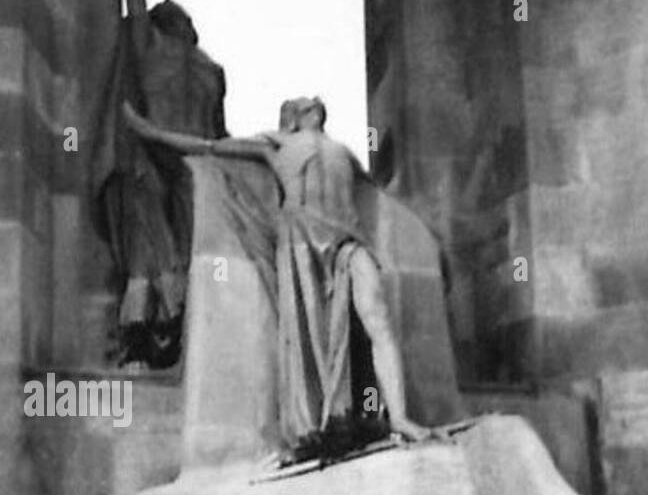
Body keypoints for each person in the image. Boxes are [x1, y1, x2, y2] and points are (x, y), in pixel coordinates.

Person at [122, 95, 435, 453]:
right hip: (301, 234)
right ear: (292, 119)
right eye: (302, 103)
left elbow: (381, 195)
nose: (313, 101)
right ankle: (319, 423)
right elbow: (210, 147)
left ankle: (400, 417)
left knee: (377, 315)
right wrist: (151, 133)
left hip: (347, 238)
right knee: (310, 330)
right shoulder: (275, 142)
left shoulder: (343, 151)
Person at [93, 0, 227, 369]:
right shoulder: (212, 72)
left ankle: (150, 328)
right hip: (196, 162)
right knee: (185, 252)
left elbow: (134, 6)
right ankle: (174, 328)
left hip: (153, 151)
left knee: (147, 253)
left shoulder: (151, 45)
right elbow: (219, 133)